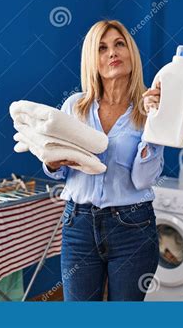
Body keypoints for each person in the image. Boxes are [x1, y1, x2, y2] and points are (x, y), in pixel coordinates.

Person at [43, 19, 164, 301]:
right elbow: (56, 170)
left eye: (119, 44)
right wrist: (53, 163)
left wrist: (155, 125)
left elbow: (144, 180)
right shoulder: (75, 107)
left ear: (130, 52)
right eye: (102, 48)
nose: (112, 52)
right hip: (79, 225)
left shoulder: (148, 110)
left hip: (133, 227)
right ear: (92, 60)